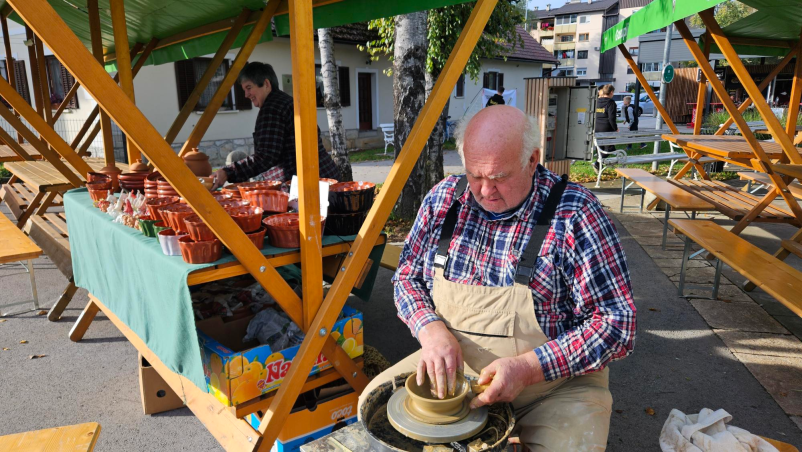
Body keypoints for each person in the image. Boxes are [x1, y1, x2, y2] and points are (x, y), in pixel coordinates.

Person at [359, 105, 637, 450]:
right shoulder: (443, 200)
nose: (485, 190)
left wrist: (529, 368)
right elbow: (407, 278)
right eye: (475, 175)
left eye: (499, 177)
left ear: (532, 160)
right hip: (459, 374)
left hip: (553, 387)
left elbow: (616, 324)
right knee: (374, 409)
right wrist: (430, 331)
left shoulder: (576, 214)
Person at [211, 62, 340, 188]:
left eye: (249, 88)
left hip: (306, 185)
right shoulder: (289, 101)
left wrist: (228, 172)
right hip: (326, 175)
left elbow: (266, 156)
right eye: (244, 90)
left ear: (266, 84)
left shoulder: (272, 108)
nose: (246, 95)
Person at [594, 84, 618, 170]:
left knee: (599, 148)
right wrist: (615, 128)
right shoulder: (611, 103)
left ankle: (598, 167)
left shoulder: (596, 101)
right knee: (610, 148)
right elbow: (611, 118)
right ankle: (597, 162)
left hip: (596, 127)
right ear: (611, 92)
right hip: (607, 128)